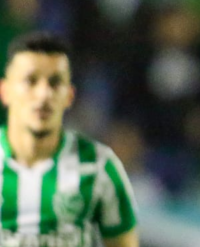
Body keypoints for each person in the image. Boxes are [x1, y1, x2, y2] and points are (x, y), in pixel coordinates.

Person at [0, 31, 140, 247]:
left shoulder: (99, 166)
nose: (43, 94)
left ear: (69, 96)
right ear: (5, 91)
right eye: (30, 80)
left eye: (55, 83)